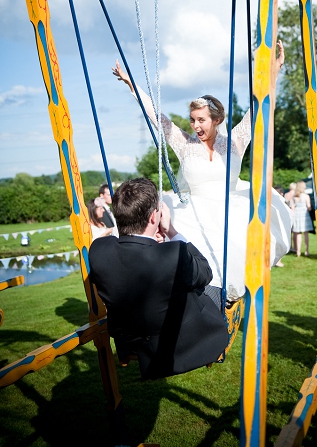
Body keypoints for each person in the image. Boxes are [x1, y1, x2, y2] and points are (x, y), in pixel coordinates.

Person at [111, 44, 291, 302]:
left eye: (201, 120)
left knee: (231, 254)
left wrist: (274, 71)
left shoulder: (236, 141)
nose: (195, 125)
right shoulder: (184, 144)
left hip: (232, 210)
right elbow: (156, 116)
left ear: (216, 120)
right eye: (192, 119)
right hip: (192, 212)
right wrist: (131, 84)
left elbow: (259, 108)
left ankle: (222, 299)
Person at [89, 178, 228, 380]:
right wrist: (170, 230)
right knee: (212, 287)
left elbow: (132, 258)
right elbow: (205, 272)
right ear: (155, 216)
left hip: (131, 338)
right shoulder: (173, 253)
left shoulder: (99, 250)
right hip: (179, 345)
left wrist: (149, 244)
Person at [291, 181, 313, 258]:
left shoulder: (294, 196)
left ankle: (298, 251)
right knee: (306, 234)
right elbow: (309, 207)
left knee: (298, 234)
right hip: (304, 215)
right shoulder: (306, 196)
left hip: (297, 215)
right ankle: (307, 251)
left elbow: (292, 208)